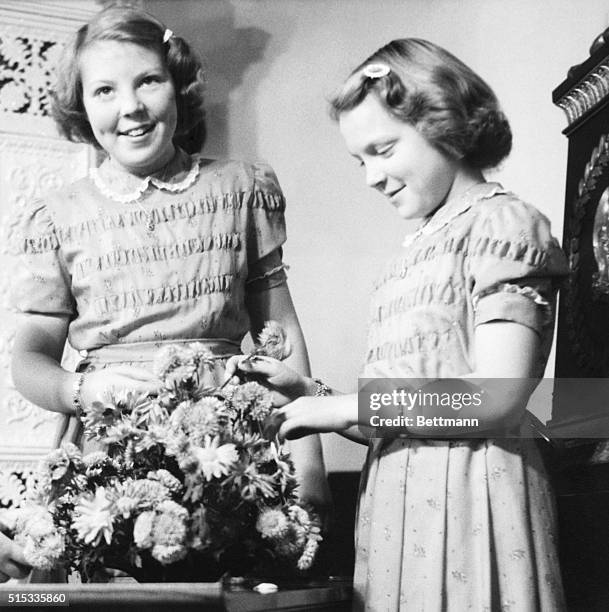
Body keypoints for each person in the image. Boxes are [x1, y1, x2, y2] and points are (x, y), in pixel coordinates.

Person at [227, 39, 568, 610]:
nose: (372, 177)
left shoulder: (503, 227)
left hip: (474, 505)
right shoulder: (406, 259)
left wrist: (345, 406)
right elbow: (396, 420)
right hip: (397, 512)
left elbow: (497, 401)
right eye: (360, 160)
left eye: (383, 150)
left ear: (443, 123)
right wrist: (311, 394)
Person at [9, 6, 329, 528]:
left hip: (230, 445)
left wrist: (309, 471)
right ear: (82, 106)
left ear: (177, 84)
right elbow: (30, 359)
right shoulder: (59, 215)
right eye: (105, 91)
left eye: (149, 81)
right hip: (111, 450)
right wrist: (83, 391)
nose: (130, 107)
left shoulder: (240, 189)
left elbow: (283, 337)